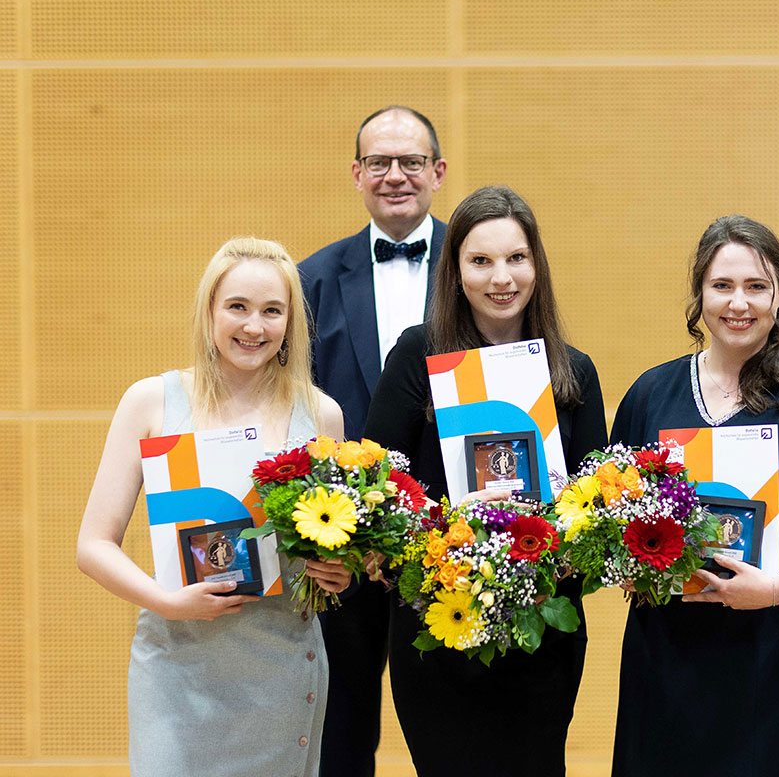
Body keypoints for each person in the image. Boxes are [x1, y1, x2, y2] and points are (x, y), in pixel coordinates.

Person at [76, 237, 350, 776]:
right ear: (209, 311)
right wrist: (167, 602)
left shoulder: (322, 415)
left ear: (291, 323)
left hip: (283, 669)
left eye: (273, 311)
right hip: (177, 669)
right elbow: (92, 546)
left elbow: (332, 542)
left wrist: (335, 573)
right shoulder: (150, 402)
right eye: (238, 307)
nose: (255, 326)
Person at [611, 215, 779, 776]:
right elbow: (610, 514)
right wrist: (628, 567)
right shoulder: (651, 393)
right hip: (669, 658)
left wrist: (778, 588)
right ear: (699, 294)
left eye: (757, 287)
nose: (739, 303)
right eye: (722, 285)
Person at [363, 185, 607, 776]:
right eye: (481, 260)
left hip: (542, 637)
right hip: (437, 633)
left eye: (516, 258)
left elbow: (598, 503)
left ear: (536, 266)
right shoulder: (418, 354)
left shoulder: (572, 369)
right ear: (455, 272)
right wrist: (446, 531)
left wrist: (563, 546)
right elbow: (374, 484)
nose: (502, 277)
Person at [298, 105, 447, 776]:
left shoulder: (482, 272)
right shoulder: (311, 280)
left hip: (456, 541)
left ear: (438, 172)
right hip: (342, 545)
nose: (396, 176)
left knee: (453, 725)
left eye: (411, 162)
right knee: (340, 731)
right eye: (379, 163)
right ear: (356, 175)